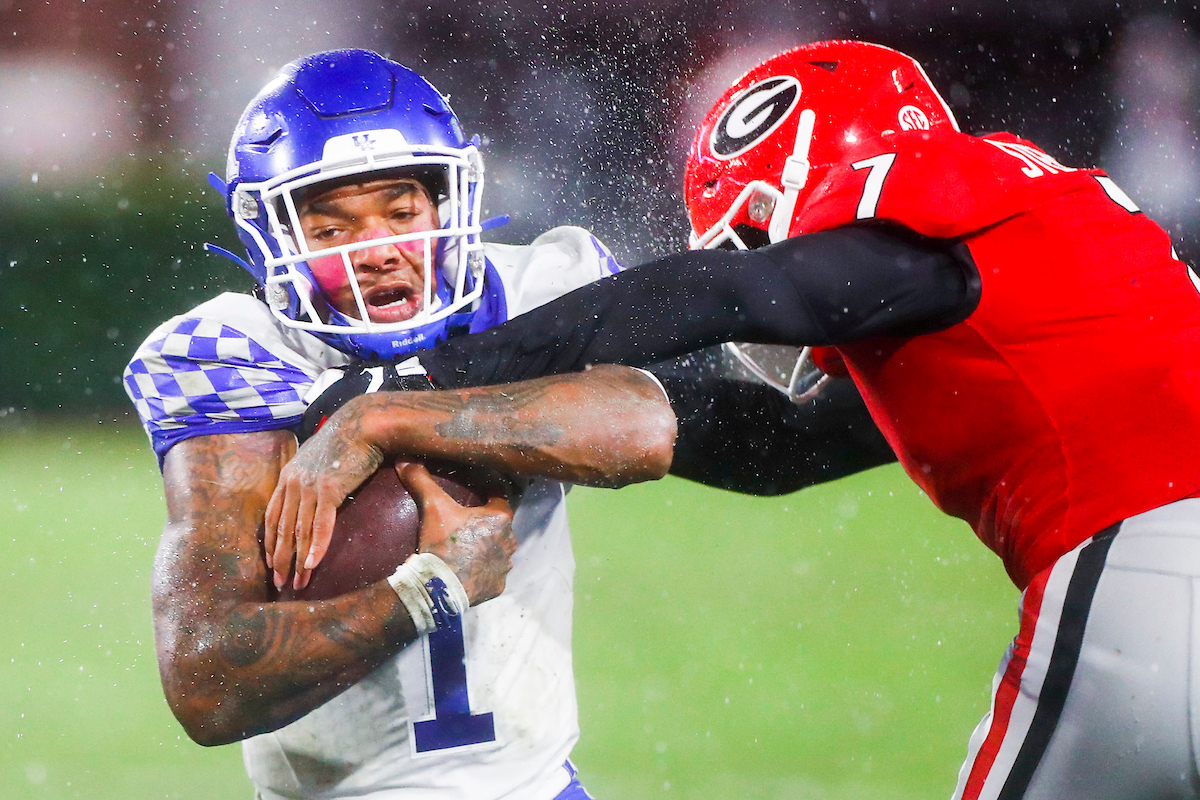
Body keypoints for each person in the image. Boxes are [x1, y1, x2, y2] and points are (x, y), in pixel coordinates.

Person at [274, 40, 1200, 800]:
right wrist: (592, 412)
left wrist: (420, 379)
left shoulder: (923, 212)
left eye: (755, 230)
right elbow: (787, 445)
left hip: (1151, 569)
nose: (758, 253)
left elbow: (737, 292)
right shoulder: (1034, 271)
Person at [123, 48, 686, 800]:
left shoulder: (533, 288)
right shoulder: (237, 353)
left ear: (446, 200)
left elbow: (641, 431)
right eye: (332, 230)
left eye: (401, 210)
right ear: (275, 239)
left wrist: (380, 417)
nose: (381, 251)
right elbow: (207, 680)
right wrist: (434, 587)